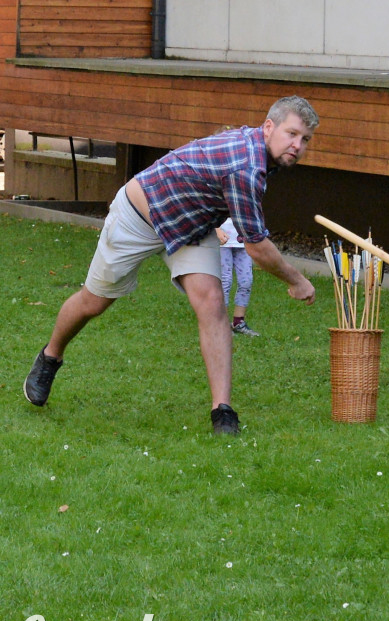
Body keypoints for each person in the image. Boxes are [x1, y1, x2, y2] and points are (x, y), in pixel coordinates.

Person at [23, 95, 319, 434]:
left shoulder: (258, 150)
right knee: (94, 301)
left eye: (305, 139)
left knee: (211, 302)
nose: (297, 145)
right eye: (291, 133)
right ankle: (50, 356)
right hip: (140, 215)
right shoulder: (246, 165)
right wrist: (297, 279)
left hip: (191, 225)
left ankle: (222, 411)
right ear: (268, 127)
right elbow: (256, 247)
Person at [216, 217, 259, 337]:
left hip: (243, 241)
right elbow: (206, 208)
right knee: (225, 281)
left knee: (246, 281)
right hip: (222, 242)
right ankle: (222, 325)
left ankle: (238, 322)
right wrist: (216, 229)